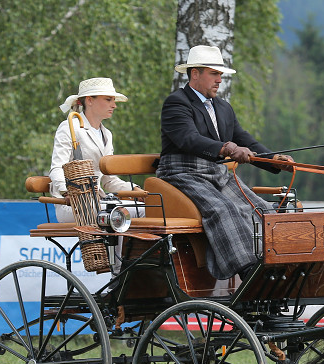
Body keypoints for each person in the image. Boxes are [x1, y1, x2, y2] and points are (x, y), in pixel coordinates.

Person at [157, 45, 294, 281]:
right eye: (214, 73)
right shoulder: (176, 103)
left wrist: (273, 160)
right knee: (222, 209)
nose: (220, 80)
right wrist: (226, 148)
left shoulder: (223, 107)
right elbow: (188, 138)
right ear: (195, 74)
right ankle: (249, 271)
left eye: (221, 74)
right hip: (181, 174)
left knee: (261, 209)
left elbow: (244, 139)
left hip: (217, 173)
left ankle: (273, 263)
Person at [49, 77, 144, 223]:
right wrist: (66, 191)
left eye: (113, 100)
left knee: (145, 208)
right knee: (118, 213)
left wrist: (134, 189)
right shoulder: (69, 127)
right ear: (89, 100)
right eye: (108, 99)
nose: (114, 105)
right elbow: (56, 168)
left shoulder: (107, 134)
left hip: (98, 202)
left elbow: (108, 179)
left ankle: (128, 247)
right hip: (71, 204)